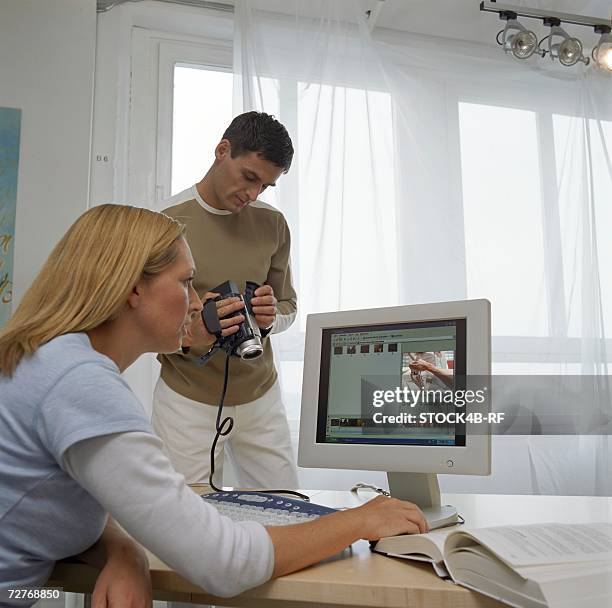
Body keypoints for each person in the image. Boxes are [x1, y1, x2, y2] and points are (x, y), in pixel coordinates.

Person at [0, 204, 428, 607]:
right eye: (186, 282)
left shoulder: (49, 359)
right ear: (133, 289)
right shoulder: (80, 384)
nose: (195, 302)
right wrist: (360, 521)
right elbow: (223, 563)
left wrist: (123, 550)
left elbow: (73, 502)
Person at [152, 111, 299, 488]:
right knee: (185, 522)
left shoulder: (273, 224)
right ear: (222, 150)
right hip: (186, 400)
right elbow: (142, 319)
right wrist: (193, 331)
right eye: (249, 177)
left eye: (265, 186)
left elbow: (289, 308)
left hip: (261, 397)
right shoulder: (161, 224)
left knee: (285, 508)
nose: (252, 195)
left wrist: (268, 320)